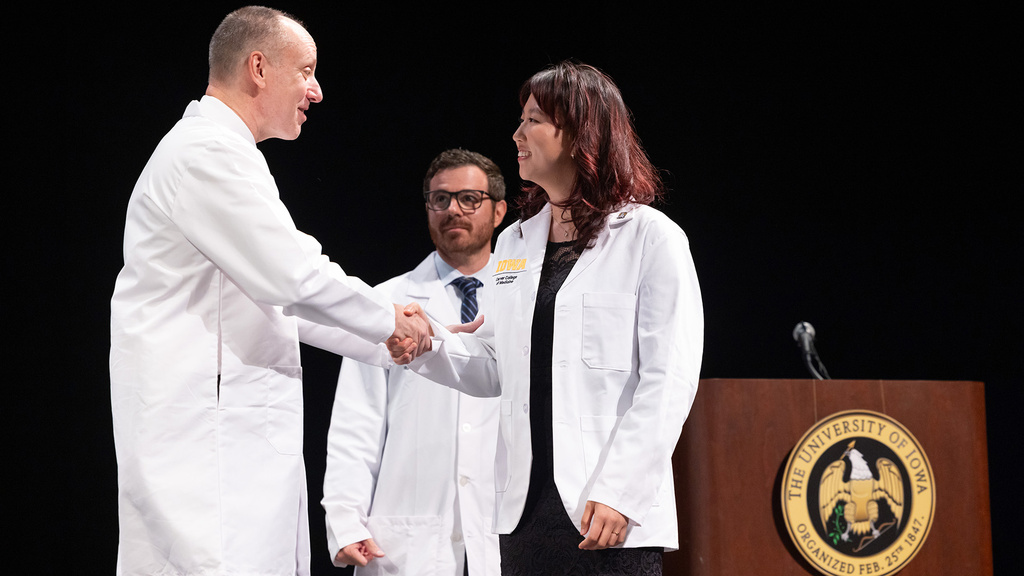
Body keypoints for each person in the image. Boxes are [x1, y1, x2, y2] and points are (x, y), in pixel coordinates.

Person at [109, 7, 430, 576]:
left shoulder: (227, 153)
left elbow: (277, 302)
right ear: (259, 66)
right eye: (306, 71)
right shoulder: (206, 153)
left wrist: (387, 341)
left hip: (231, 453)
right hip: (207, 460)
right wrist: (387, 319)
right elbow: (293, 275)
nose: (317, 90)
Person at [400, 60, 704, 575]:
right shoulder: (517, 240)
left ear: (580, 131)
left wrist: (623, 491)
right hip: (524, 511)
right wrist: (429, 345)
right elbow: (499, 363)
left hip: (605, 513)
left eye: (533, 120)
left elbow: (668, 381)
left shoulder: (651, 238)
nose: (517, 133)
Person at [322, 149, 508, 575]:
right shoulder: (384, 302)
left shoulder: (525, 299)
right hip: (409, 538)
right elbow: (357, 421)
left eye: (469, 199)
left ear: (498, 210)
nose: (452, 210)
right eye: (439, 200)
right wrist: (345, 517)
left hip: (501, 527)